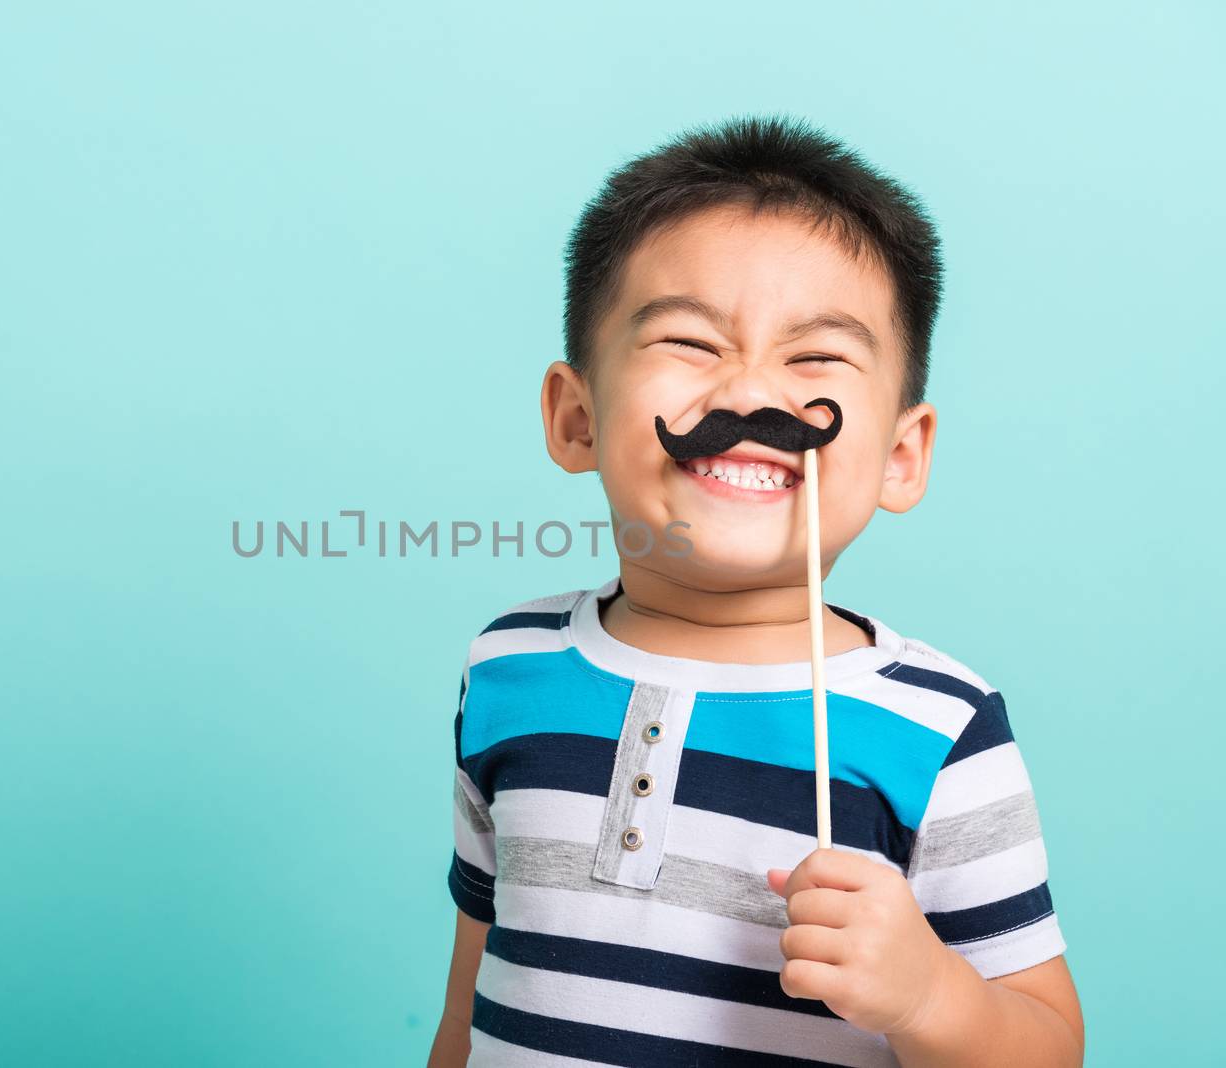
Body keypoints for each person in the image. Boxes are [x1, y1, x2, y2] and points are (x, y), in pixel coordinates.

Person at [427, 114, 1084, 1067]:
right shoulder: (507, 669)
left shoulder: (941, 731)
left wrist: (930, 994)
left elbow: (1051, 1049)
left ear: (902, 457)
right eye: (691, 341)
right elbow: (472, 994)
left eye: (816, 358)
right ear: (576, 419)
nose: (750, 395)